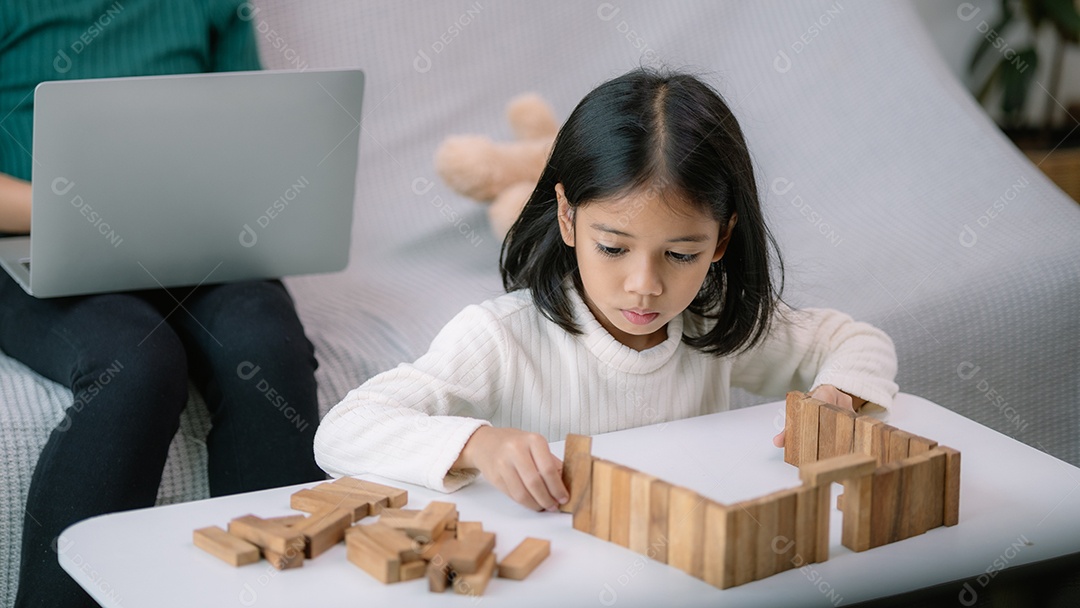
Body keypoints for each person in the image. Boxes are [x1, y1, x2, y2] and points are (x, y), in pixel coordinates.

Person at [314, 68, 897, 512]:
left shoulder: (708, 322)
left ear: (722, 241)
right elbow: (344, 430)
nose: (645, 287)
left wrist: (836, 396)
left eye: (681, 254)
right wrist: (479, 445)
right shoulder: (501, 338)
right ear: (567, 218)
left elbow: (853, 341)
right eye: (613, 248)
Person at [0, 2, 325, 606]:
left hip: (194, 234)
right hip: (32, 240)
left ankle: (271, 597)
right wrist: (84, 206)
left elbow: (256, 136)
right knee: (136, 366)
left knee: (266, 349)